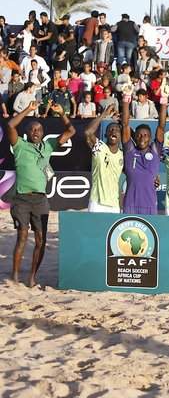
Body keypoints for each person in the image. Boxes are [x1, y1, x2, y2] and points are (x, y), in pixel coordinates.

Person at [7, 101, 75, 286]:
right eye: (32, 129)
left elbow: (71, 132)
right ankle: (14, 275)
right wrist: (29, 109)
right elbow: (11, 125)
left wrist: (62, 113)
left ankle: (32, 276)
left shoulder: (49, 146)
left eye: (39, 129)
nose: (36, 132)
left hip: (40, 200)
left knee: (41, 239)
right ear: (27, 133)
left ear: (43, 133)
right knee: (22, 236)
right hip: (21, 198)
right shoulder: (19, 145)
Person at [120, 93, 166, 215]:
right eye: (139, 135)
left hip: (149, 204)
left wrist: (164, 102)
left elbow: (161, 127)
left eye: (145, 135)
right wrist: (126, 100)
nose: (142, 138)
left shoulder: (155, 151)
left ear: (150, 138)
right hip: (130, 204)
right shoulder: (130, 151)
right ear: (134, 136)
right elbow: (125, 125)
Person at [84, 105, 123, 212]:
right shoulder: (100, 147)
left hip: (114, 204)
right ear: (105, 134)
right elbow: (88, 132)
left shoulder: (122, 155)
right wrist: (104, 114)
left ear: (120, 136)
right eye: (110, 129)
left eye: (117, 130)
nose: (113, 131)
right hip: (97, 202)